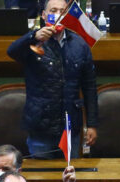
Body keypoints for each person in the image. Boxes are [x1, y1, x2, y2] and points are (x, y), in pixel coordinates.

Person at [7, 0, 98, 159]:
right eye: (53, 10)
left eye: (62, 11)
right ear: (43, 15)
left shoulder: (80, 45)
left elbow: (89, 88)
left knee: (69, 175)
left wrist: (92, 124)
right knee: (42, 177)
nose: (57, 14)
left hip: (70, 127)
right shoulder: (33, 42)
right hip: (41, 126)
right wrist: (32, 36)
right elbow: (12, 51)